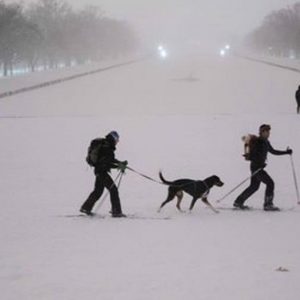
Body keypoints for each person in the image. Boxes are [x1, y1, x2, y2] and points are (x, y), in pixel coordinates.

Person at [233, 124, 292, 211]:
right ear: (262, 132)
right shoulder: (258, 142)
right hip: (256, 167)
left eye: (269, 131)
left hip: (259, 167)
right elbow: (253, 155)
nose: (269, 133)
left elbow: (273, 151)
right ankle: (268, 204)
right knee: (270, 183)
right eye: (267, 131)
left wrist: (286, 152)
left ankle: (238, 202)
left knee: (254, 186)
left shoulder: (266, 142)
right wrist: (259, 163)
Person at [80, 131, 128, 217]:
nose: (117, 142)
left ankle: (86, 208)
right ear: (114, 138)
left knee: (98, 191)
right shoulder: (107, 147)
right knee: (113, 190)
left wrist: (120, 163)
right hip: (101, 172)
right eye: (117, 140)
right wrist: (119, 166)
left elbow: (110, 160)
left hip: (99, 171)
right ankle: (116, 212)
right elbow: (107, 162)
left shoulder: (106, 145)